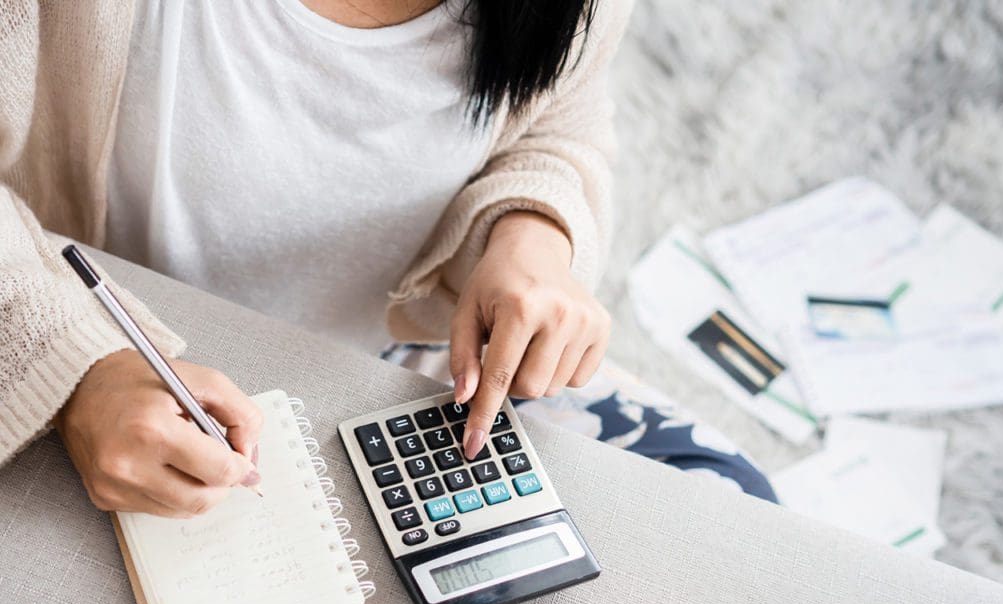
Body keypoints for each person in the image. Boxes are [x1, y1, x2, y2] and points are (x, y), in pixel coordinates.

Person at [0, 0, 775, 519]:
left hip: (397, 364)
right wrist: (76, 372)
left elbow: (561, 114)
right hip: (97, 348)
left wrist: (532, 234)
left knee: (732, 512)